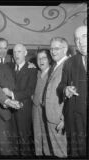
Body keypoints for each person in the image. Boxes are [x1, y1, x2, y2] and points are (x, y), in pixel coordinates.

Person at [57, 25, 87, 157]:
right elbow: (60, 86)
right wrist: (65, 89)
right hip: (76, 121)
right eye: (77, 39)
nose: (80, 42)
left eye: (84, 36)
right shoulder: (69, 62)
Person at [3, 43, 37, 156]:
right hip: (10, 112)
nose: (16, 54)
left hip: (24, 112)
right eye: (14, 52)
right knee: (12, 141)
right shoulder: (9, 67)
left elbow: (30, 90)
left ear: (25, 53)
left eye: (19, 52)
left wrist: (11, 94)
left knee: (24, 142)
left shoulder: (32, 69)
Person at [42, 37, 69, 157]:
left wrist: (64, 119)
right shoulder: (56, 65)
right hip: (51, 116)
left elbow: (71, 94)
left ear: (65, 49)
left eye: (56, 48)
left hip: (59, 119)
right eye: (51, 49)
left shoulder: (68, 65)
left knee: (62, 152)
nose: (53, 51)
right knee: (56, 152)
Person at [32, 49, 53, 156]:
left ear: (49, 59)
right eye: (38, 58)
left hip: (46, 112)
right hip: (35, 110)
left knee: (47, 140)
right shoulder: (37, 73)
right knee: (37, 138)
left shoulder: (52, 74)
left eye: (44, 58)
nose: (41, 61)